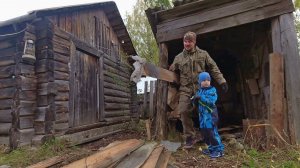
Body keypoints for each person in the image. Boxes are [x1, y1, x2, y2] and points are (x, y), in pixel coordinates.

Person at [169, 31, 227, 148]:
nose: (187, 44)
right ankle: (190, 137)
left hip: (201, 89)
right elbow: (171, 71)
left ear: (194, 42)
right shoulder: (178, 58)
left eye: (189, 41)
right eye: (185, 41)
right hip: (185, 89)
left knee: (206, 111)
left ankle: (209, 136)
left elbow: (213, 67)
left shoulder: (203, 54)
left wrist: (222, 81)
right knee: (184, 110)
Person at [193, 72, 224, 158]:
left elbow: (211, 102)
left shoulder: (212, 91)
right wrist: (194, 101)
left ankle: (219, 150)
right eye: (203, 80)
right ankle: (211, 148)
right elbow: (195, 103)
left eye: (208, 80)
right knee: (205, 133)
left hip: (211, 116)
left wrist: (200, 98)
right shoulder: (199, 91)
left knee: (212, 133)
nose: (206, 82)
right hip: (202, 117)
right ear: (200, 82)